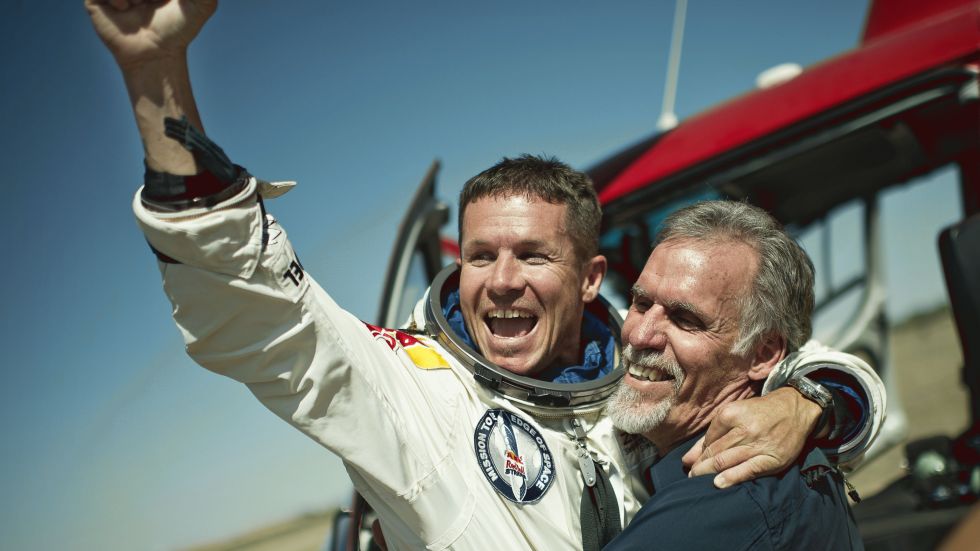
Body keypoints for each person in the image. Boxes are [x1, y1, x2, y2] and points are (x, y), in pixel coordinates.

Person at [86, 1, 884, 549]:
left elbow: (787, 365)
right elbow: (263, 314)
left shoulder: (631, 384)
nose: (500, 281)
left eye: (533, 255)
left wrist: (813, 400)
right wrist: (156, 78)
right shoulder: (415, 395)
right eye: (478, 255)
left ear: (589, 277)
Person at [605, 201, 866, 550]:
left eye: (685, 320)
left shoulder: (721, 501)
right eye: (640, 304)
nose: (638, 335)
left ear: (763, 353)